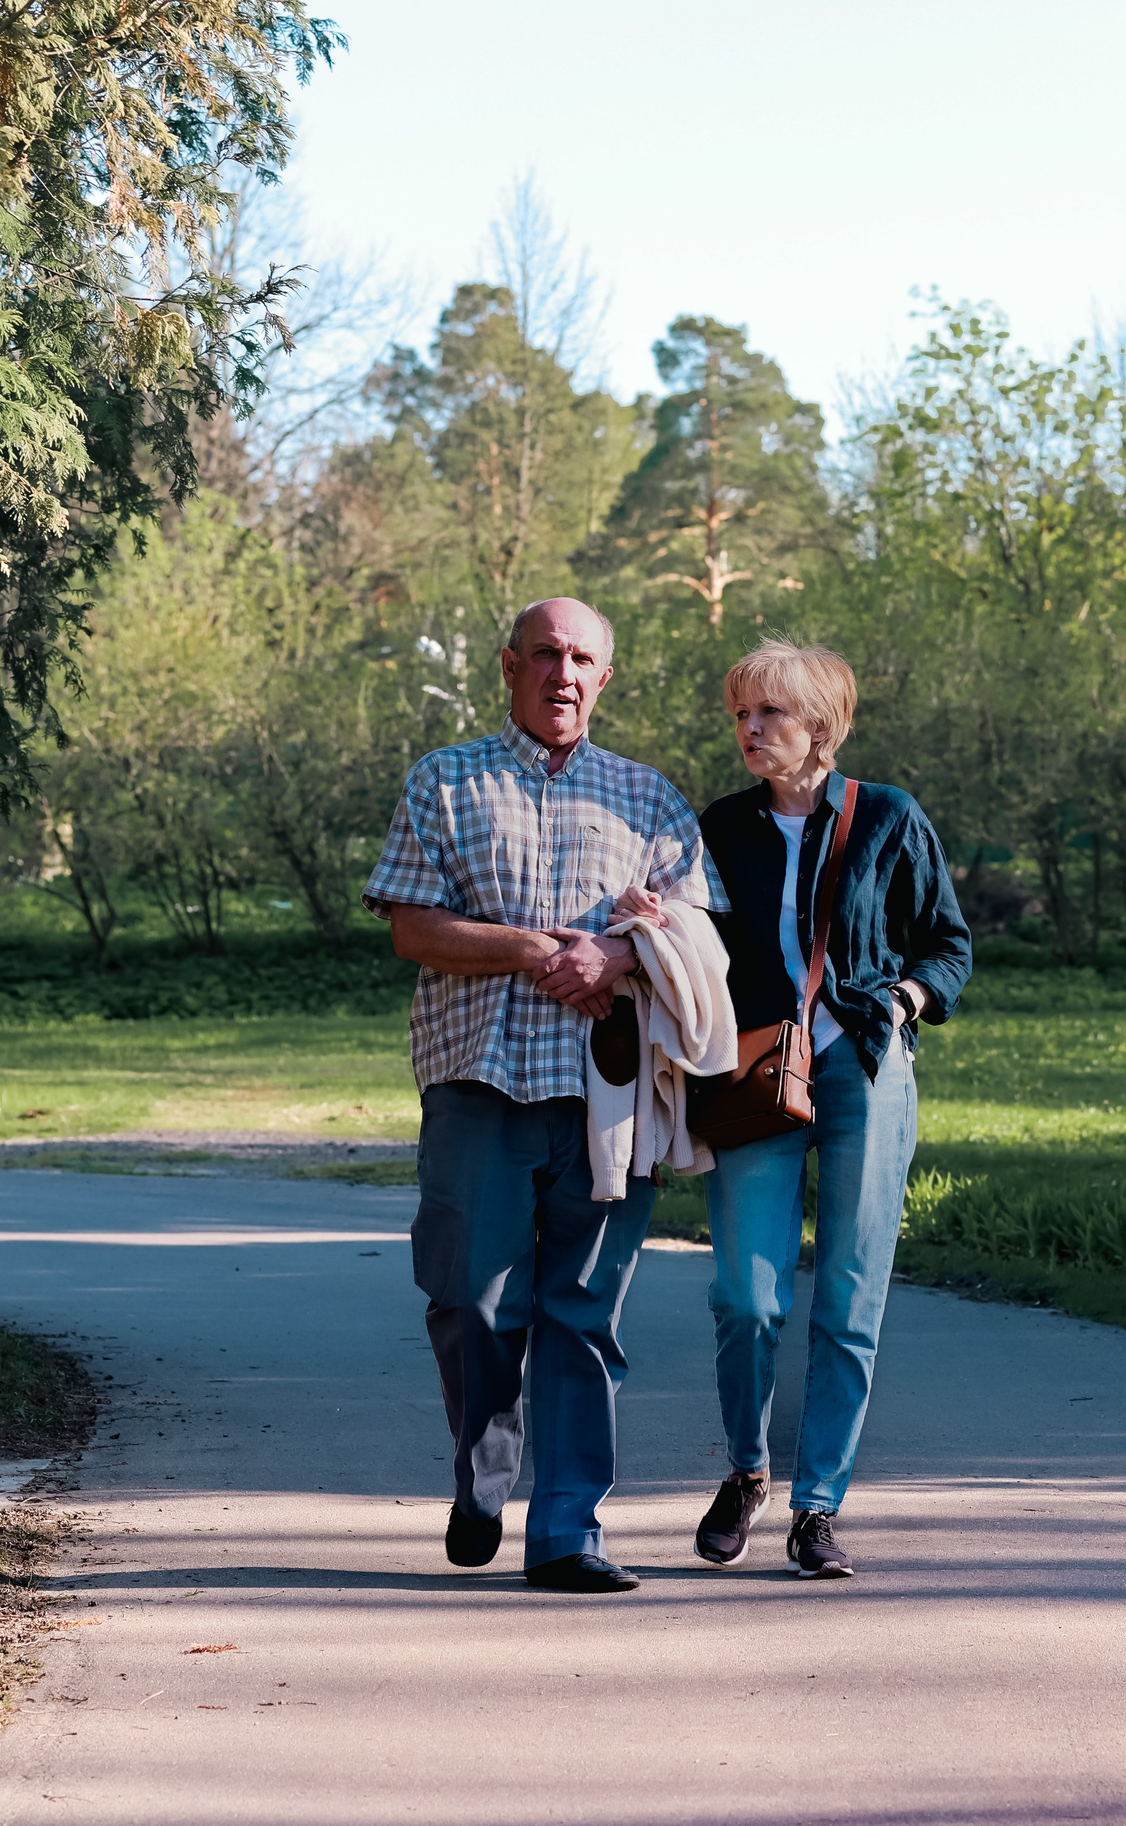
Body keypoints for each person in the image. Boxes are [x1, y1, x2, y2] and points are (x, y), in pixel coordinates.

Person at [364, 597, 724, 1594]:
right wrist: (535, 949)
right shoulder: (445, 780)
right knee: (469, 1301)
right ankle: (482, 1476)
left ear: (604, 678)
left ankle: (567, 1532)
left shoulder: (650, 800)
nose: (562, 674)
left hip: (610, 1095)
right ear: (509, 667)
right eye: (545, 655)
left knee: (583, 1316)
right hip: (478, 1079)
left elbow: (698, 934)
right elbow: (412, 928)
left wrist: (615, 951)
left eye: (581, 660)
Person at [689, 640, 970, 1577]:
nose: (750, 730)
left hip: (868, 1069)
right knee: (746, 1297)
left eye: (769, 713)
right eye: (741, 715)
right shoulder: (717, 827)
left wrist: (901, 1000)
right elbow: (692, 941)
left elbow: (948, 946)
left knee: (850, 1300)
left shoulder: (888, 817)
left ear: (821, 725)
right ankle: (746, 1470)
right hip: (754, 1072)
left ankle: (819, 1507)